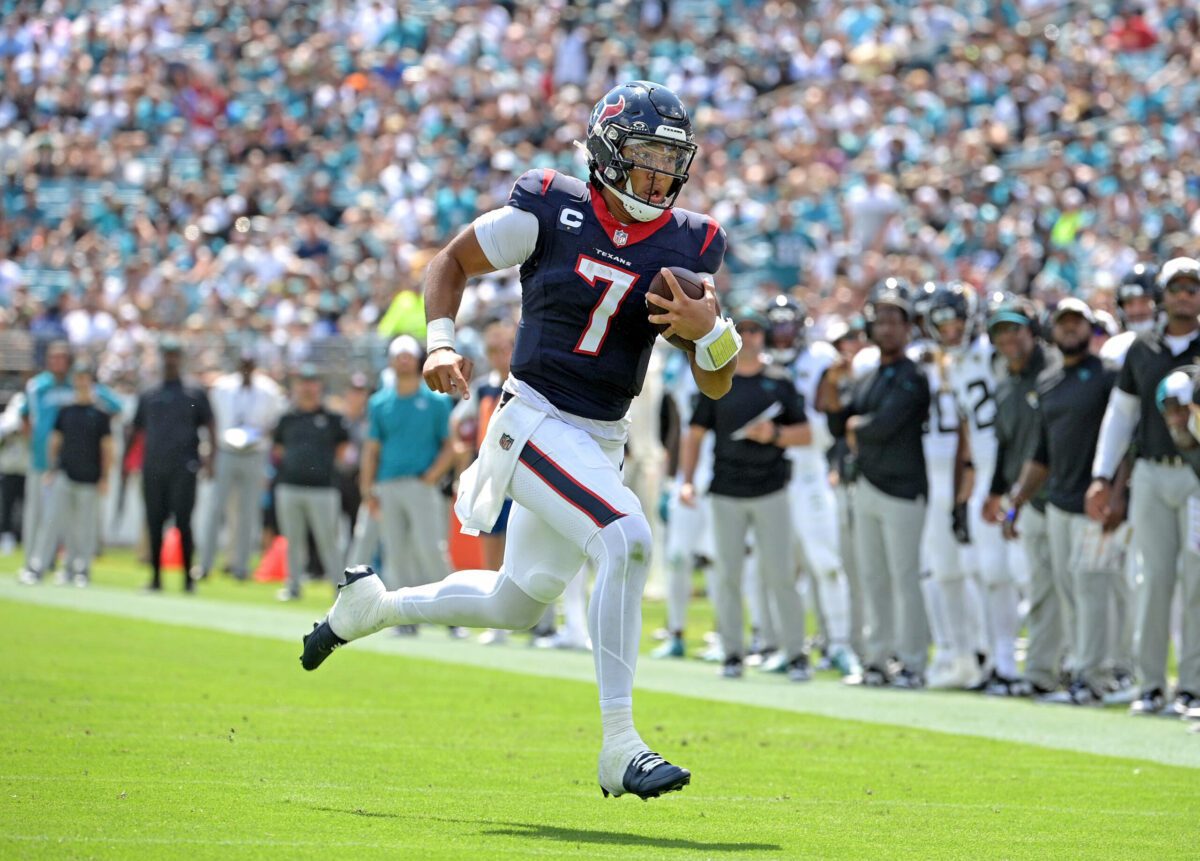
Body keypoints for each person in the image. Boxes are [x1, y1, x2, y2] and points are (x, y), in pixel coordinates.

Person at [302, 81, 735, 801]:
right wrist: (440, 342)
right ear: (605, 152)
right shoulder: (551, 207)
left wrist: (710, 334)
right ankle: (620, 743)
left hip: (600, 439)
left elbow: (717, 384)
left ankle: (371, 606)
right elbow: (451, 262)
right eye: (646, 157)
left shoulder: (689, 243)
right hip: (531, 418)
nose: (659, 175)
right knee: (626, 536)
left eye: (670, 160)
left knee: (515, 602)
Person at [1088, 257, 1200, 718]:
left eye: (1192, 288)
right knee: (1151, 582)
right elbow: (1120, 416)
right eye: (1176, 288)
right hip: (1152, 473)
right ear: (1161, 294)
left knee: (1196, 582)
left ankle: (1193, 686)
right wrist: (1101, 476)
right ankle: (1151, 683)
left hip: (1197, 477)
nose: (1184, 296)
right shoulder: (1142, 348)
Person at [680, 305, 812, 681]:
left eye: (757, 331)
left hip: (771, 489)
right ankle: (733, 653)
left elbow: (805, 434)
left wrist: (774, 435)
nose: (752, 337)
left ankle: (795, 654)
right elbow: (695, 432)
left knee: (781, 576)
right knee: (728, 577)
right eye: (746, 330)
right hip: (726, 489)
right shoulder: (720, 378)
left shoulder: (779, 381)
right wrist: (687, 480)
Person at [1006, 299, 1118, 705]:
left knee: (1092, 590)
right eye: (1063, 323)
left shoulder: (1108, 375)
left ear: (1090, 327)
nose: (1070, 329)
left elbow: (1126, 437)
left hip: (1095, 500)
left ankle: (1097, 678)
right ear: (1052, 330)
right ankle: (1080, 671)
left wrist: (1116, 492)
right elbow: (1041, 452)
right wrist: (1018, 500)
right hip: (1057, 501)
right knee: (1070, 590)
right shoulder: (1050, 379)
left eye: (1077, 322)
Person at [820, 279, 931, 688]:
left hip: (902, 488)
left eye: (894, 320)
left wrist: (853, 424)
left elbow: (880, 427)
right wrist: (832, 385)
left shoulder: (913, 376)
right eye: (880, 320)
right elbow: (838, 423)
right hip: (866, 486)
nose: (886, 328)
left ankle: (913, 662)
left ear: (908, 327)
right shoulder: (869, 376)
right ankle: (877, 659)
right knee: (872, 579)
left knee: (905, 578)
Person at [765, 295, 859, 677]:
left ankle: (839, 643)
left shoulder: (819, 359)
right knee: (777, 569)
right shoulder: (762, 363)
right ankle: (788, 645)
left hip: (809, 472)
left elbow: (822, 431)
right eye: (778, 326)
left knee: (826, 562)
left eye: (790, 325)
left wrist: (778, 435)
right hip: (771, 473)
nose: (784, 334)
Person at [983, 296, 1062, 696]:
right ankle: (1042, 672)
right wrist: (996, 492)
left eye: (1014, 329)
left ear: (1032, 331)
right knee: (1040, 587)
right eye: (1000, 331)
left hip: (1061, 495)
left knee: (1071, 587)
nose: (1008, 338)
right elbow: (1005, 444)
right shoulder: (1005, 381)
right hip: (1027, 499)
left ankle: (1081, 669)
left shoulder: (1052, 371)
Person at [358, 335, 456, 617]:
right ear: (391, 361)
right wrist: (368, 490)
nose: (403, 360)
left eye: (408, 355)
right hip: (387, 485)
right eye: (398, 356)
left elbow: (450, 446)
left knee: (431, 550)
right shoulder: (379, 403)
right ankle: (403, 617)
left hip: (420, 485)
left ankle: (450, 613)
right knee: (395, 553)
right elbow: (371, 450)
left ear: (417, 360)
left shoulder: (435, 401)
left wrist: (431, 476)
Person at [18, 341, 120, 583]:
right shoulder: (39, 386)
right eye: (54, 358)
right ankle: (34, 565)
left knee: (76, 524)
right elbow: (29, 419)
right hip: (46, 465)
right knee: (41, 519)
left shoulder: (93, 403)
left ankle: (72, 568)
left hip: (84, 470)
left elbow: (116, 407)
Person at [129, 337, 215, 592]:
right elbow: (135, 430)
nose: (171, 360)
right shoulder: (149, 393)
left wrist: (211, 461)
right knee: (154, 522)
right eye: (167, 355)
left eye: (175, 355)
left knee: (183, 522)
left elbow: (211, 425)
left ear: (181, 358)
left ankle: (188, 578)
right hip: (154, 466)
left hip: (184, 466)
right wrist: (128, 463)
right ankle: (156, 577)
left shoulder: (194, 392)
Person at [200, 349, 285, 580]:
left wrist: (261, 434)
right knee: (216, 508)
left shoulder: (268, 389)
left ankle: (242, 566)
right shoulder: (223, 387)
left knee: (249, 512)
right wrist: (211, 454)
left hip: (254, 452)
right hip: (227, 450)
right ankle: (205, 564)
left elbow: (276, 422)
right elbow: (213, 421)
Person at [273, 364, 350, 601]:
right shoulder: (287, 418)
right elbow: (278, 450)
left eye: (312, 382)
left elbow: (342, 450)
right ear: (296, 386)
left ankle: (339, 588)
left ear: (319, 386)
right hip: (290, 485)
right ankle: (293, 585)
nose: (307, 387)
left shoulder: (332, 418)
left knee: (328, 540)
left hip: (323, 488)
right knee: (293, 539)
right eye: (303, 382)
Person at [36, 363, 112, 585]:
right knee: (55, 522)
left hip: (89, 477)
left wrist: (105, 477)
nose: (81, 383)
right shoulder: (66, 410)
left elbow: (107, 447)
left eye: (85, 378)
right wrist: (52, 468)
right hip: (65, 473)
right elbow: (56, 441)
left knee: (85, 527)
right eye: (78, 378)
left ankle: (81, 569)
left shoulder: (99, 413)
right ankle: (41, 566)